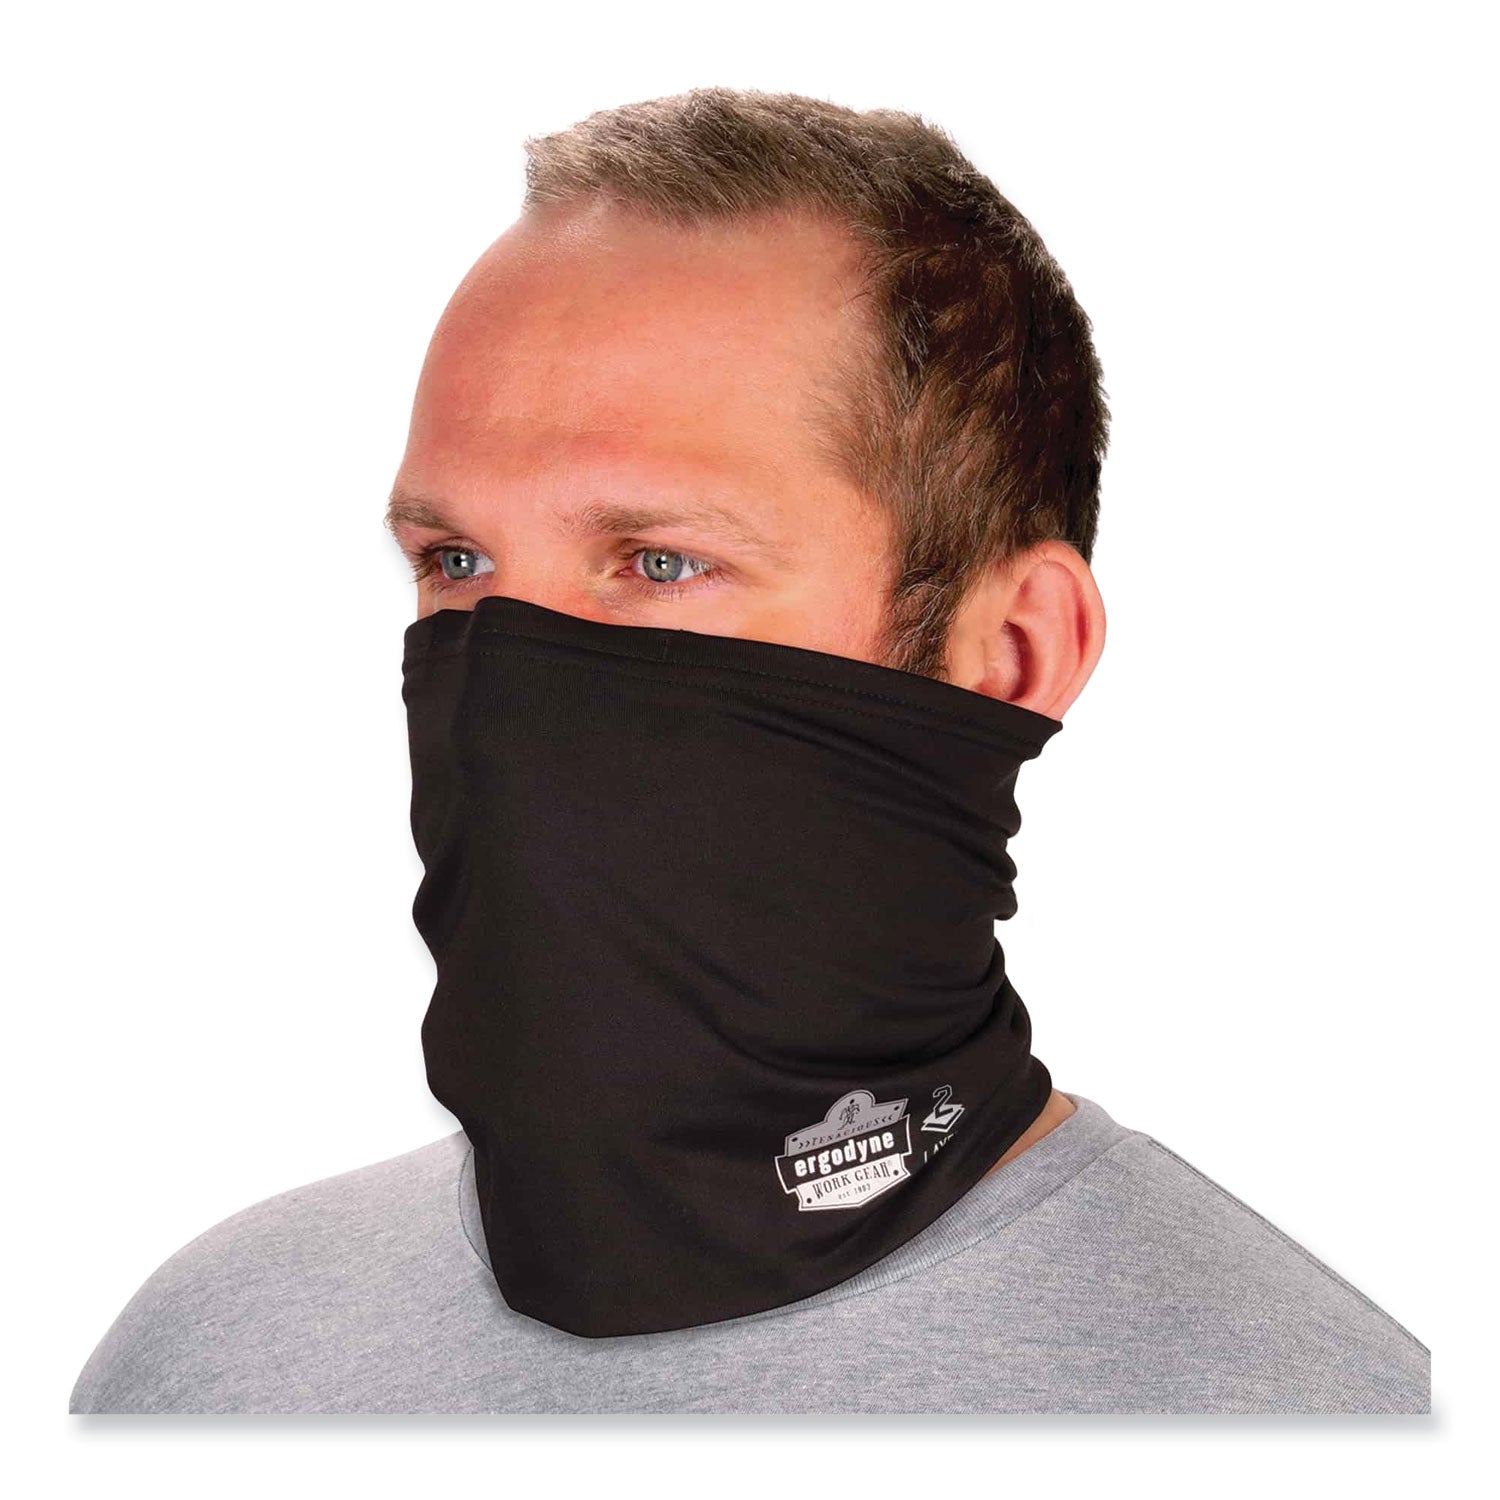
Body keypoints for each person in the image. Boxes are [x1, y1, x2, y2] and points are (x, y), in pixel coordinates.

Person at [68, 86, 1429, 1415]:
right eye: (457, 561)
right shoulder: (215, 1359)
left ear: (1015, 649)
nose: (501, 676)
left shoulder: (1297, 1411)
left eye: (660, 561)